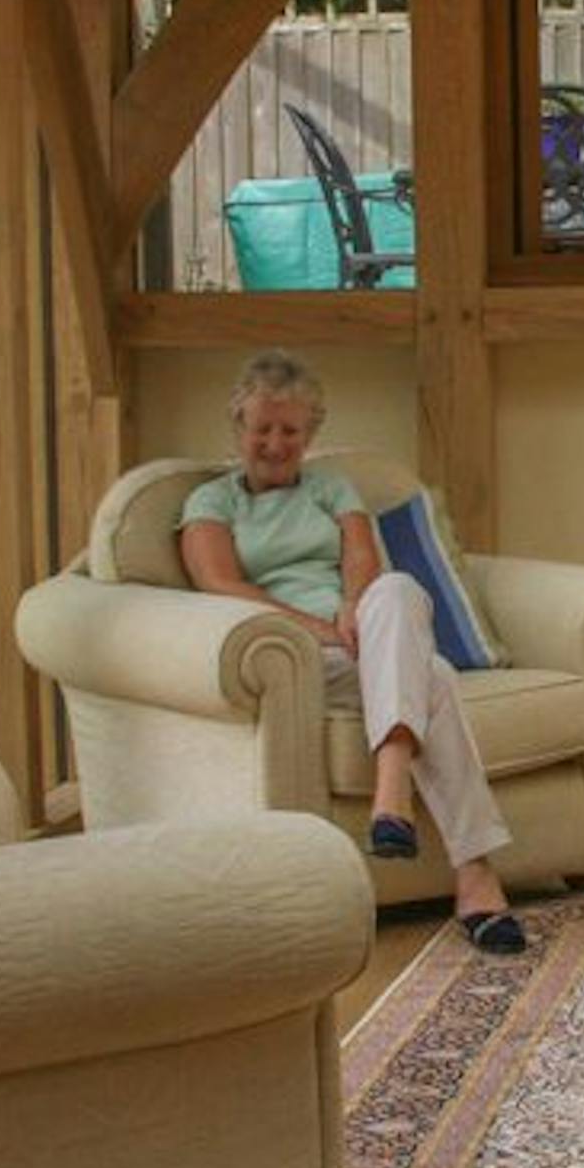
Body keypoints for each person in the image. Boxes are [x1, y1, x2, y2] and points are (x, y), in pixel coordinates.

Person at [175, 352, 525, 953]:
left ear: (310, 435)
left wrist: (350, 608)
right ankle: (475, 876)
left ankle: (395, 800)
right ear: (239, 429)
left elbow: (362, 560)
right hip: (295, 653)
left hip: (364, 635)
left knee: (395, 588)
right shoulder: (213, 502)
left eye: (291, 430)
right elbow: (221, 585)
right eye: (262, 428)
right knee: (434, 676)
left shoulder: (331, 487)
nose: (275, 443)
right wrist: (316, 626)